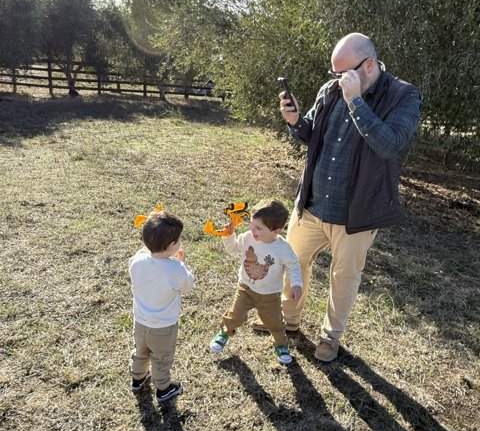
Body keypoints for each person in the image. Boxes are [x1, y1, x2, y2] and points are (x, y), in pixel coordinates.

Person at [254, 33, 421, 362]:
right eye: (334, 74)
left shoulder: (403, 95)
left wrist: (356, 101)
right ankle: (288, 319)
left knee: (343, 278)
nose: (336, 80)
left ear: (368, 65)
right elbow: (311, 133)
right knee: (292, 262)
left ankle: (330, 338)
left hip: (356, 213)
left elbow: (388, 145)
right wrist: (294, 122)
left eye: (343, 73)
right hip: (313, 205)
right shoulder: (331, 90)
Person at [209, 198, 303, 365]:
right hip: (245, 287)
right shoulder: (247, 237)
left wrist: (296, 284)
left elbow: (293, 266)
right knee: (235, 314)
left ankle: (281, 344)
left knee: (275, 322)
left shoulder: (283, 249)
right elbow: (233, 250)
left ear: (277, 231)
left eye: (258, 228)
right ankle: (224, 332)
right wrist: (229, 236)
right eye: (252, 224)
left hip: (269, 295)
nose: (252, 229)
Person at [129, 208, 195, 404]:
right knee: (161, 359)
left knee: (141, 352)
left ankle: (137, 379)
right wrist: (182, 264)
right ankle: (163, 388)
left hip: (140, 322)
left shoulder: (137, 260)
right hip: (163, 327)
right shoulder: (174, 270)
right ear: (172, 245)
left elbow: (145, 254)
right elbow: (188, 286)